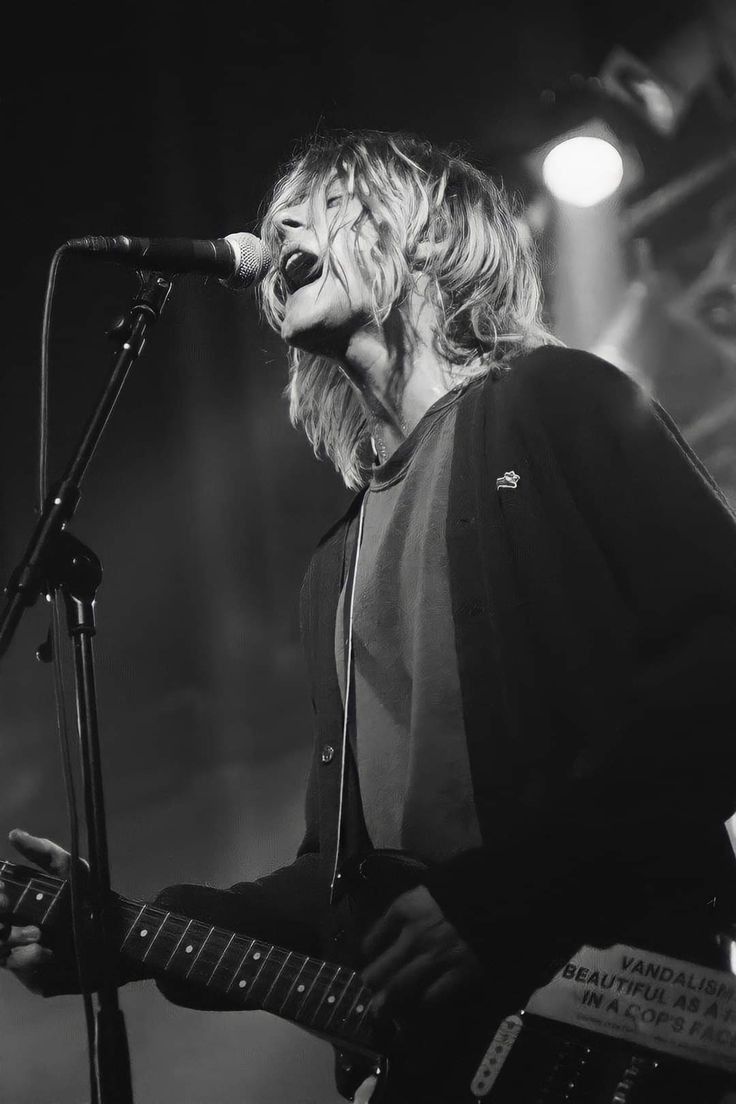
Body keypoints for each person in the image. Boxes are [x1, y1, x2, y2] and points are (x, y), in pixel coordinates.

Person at [3, 131, 736, 1102]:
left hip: (616, 1036)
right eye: (275, 215)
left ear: (428, 236)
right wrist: (131, 928)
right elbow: (339, 890)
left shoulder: (558, 405)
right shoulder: (336, 566)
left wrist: (497, 906)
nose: (279, 226)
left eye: (322, 202)